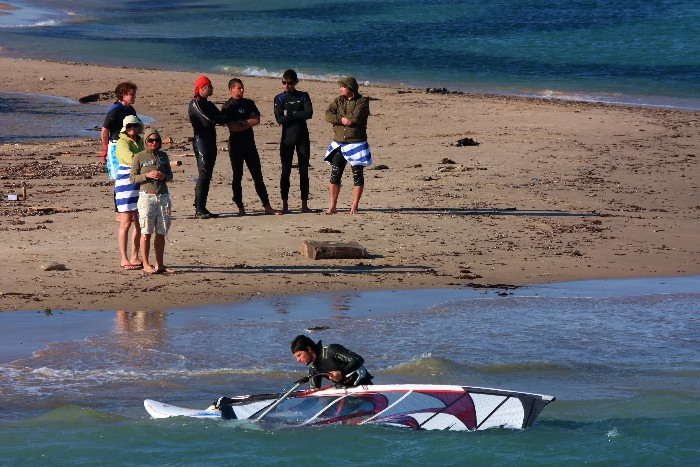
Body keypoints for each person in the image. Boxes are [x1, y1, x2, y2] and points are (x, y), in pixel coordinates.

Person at [221, 78, 280, 216]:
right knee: (237, 176)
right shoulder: (227, 107)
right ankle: (240, 207)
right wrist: (248, 122)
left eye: (242, 88)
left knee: (257, 175)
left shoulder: (249, 103)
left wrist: (242, 122)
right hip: (236, 145)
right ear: (231, 89)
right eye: (239, 88)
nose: (242, 90)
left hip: (249, 144)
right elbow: (232, 128)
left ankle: (267, 206)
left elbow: (257, 120)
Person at [324, 76, 372, 215]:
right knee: (335, 175)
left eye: (343, 87)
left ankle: (355, 206)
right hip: (339, 143)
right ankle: (333, 205)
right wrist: (341, 119)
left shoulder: (362, 101)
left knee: (357, 175)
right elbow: (328, 114)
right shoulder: (338, 100)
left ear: (350, 88)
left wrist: (341, 119)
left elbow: (355, 118)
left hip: (356, 143)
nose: (340, 89)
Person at [130, 128, 174, 275]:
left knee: (161, 232)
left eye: (156, 140)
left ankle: (159, 264)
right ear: (146, 141)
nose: (154, 143)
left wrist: (164, 176)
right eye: (150, 140)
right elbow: (133, 178)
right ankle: (146, 264)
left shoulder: (163, 156)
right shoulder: (139, 157)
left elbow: (170, 176)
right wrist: (147, 175)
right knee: (146, 232)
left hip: (163, 196)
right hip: (146, 196)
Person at [188, 75, 231, 219]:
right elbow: (208, 121)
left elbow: (221, 117)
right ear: (202, 88)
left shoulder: (209, 104)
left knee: (208, 175)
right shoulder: (195, 104)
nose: (212, 89)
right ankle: (199, 208)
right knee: (204, 174)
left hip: (211, 141)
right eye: (210, 86)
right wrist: (219, 119)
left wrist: (222, 116)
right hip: (201, 142)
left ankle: (202, 207)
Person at [273, 69, 313, 213]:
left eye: (289, 83)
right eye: (284, 83)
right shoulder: (279, 98)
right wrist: (298, 115)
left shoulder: (303, 96)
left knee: (303, 171)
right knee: (285, 171)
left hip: (302, 138)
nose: (286, 86)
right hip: (287, 139)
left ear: (295, 82)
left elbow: (309, 114)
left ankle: (304, 205)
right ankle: (285, 205)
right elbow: (279, 119)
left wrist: (290, 113)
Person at [114, 115, 145, 269]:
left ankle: (135, 256)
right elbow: (129, 158)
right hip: (126, 182)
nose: (133, 129)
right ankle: (124, 258)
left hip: (140, 181)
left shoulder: (141, 141)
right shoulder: (122, 141)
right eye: (129, 126)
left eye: (135, 126)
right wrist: (146, 160)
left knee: (139, 223)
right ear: (125, 128)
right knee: (126, 223)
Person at [291, 335, 373, 389]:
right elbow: (314, 394)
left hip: (364, 386)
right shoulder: (314, 369)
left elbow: (358, 359)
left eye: (299, 355)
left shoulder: (331, 351)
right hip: (345, 391)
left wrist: (341, 373)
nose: (298, 360)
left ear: (309, 349)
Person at [101, 82, 138, 176]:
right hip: (115, 146)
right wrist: (106, 148)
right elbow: (105, 131)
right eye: (132, 94)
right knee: (118, 177)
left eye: (134, 94)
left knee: (130, 175)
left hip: (129, 145)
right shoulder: (115, 109)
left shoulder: (131, 110)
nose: (134, 96)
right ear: (123, 95)